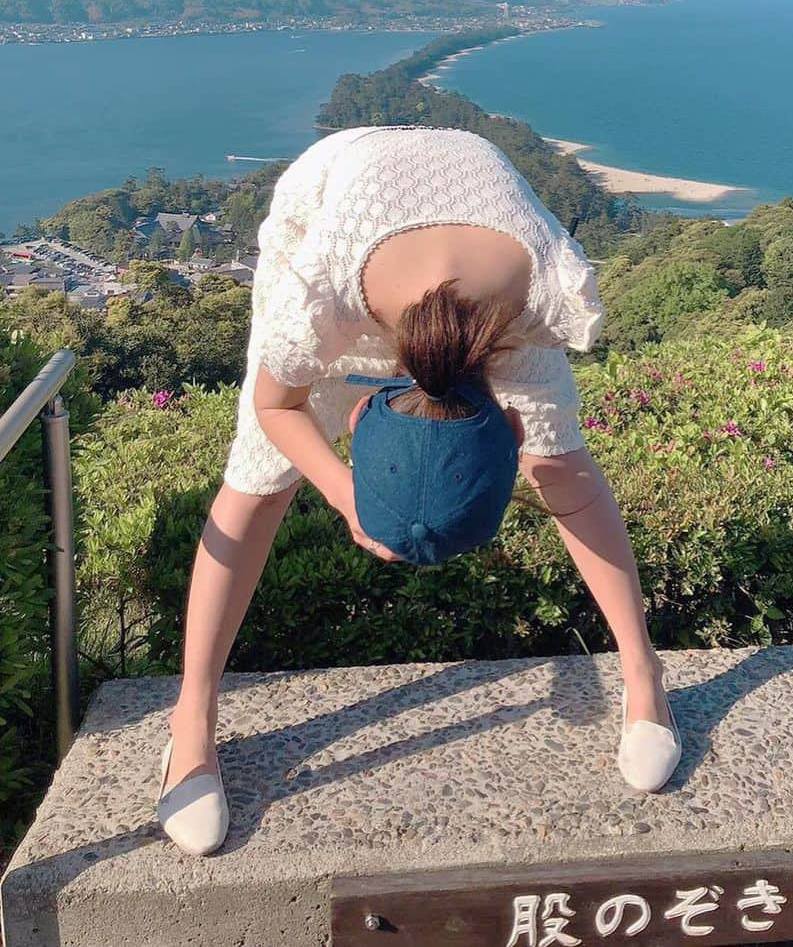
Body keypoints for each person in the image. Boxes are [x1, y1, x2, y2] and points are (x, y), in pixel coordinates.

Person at [156, 125, 682, 856]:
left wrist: (526, 461)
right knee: (258, 481)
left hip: (472, 205)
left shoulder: (536, 303)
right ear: (366, 402)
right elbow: (281, 410)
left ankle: (643, 672)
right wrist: (343, 491)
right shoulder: (322, 295)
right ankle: (191, 717)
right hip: (338, 195)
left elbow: (556, 471)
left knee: (563, 463)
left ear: (508, 417)